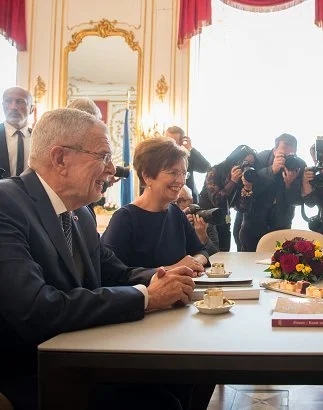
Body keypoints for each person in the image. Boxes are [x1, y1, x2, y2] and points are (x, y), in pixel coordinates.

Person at [0, 108, 200, 410]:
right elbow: (35, 309)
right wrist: (146, 297)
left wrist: (163, 279)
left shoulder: (80, 212)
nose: (112, 170)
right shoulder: (7, 204)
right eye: (103, 156)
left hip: (86, 353)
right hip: (35, 371)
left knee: (187, 378)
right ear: (60, 158)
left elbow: (115, 272)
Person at [102, 137, 209, 271]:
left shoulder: (176, 213)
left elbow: (201, 251)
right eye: (173, 173)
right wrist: (174, 269)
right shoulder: (125, 218)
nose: (181, 181)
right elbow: (111, 274)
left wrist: (193, 262)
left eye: (183, 173)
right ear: (147, 176)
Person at [239, 133, 303, 251]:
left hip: (281, 224)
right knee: (249, 264)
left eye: (291, 155)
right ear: (274, 151)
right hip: (254, 223)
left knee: (280, 264)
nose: (286, 159)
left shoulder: (299, 165)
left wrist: (290, 184)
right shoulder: (259, 159)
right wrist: (271, 170)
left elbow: (297, 201)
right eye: (282, 155)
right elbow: (251, 188)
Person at [198, 144, 257, 251]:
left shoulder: (247, 177)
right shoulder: (215, 170)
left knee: (224, 254)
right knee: (208, 255)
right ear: (235, 161)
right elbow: (217, 200)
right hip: (206, 220)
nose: (248, 166)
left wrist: (247, 189)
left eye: (252, 164)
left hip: (224, 219)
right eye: (245, 163)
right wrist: (232, 182)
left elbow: (242, 208)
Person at [165, 126, 210, 203]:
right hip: (168, 199)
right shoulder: (159, 157)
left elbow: (206, 167)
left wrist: (190, 148)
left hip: (189, 200)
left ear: (181, 142)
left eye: (173, 142)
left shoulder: (188, 156)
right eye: (167, 141)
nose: (169, 145)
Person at [176, 184, 220, 256]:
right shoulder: (167, 220)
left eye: (182, 200)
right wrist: (180, 228)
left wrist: (203, 237)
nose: (178, 205)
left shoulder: (203, 220)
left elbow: (216, 256)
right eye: (173, 202)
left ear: (192, 201)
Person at [0, 86, 33, 177]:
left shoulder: (40, 138)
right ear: (3, 106)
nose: (13, 107)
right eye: (8, 101)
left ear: (31, 109)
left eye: (19, 102)